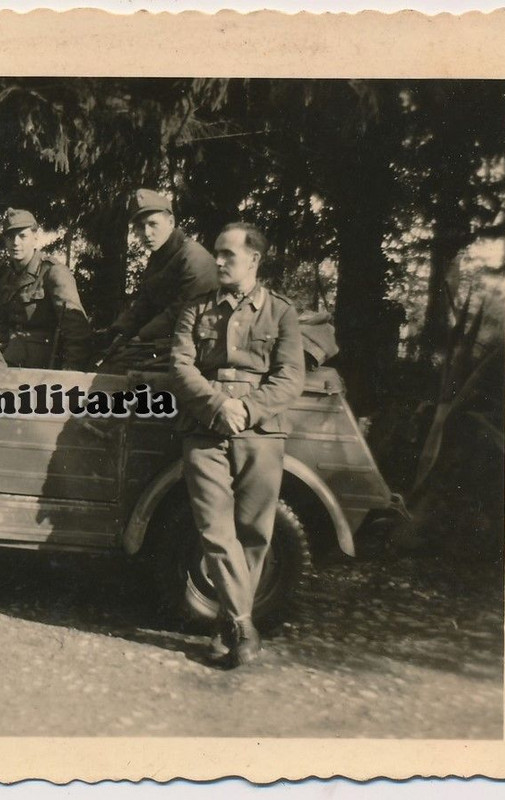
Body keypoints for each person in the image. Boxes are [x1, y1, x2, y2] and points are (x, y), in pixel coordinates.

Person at [169, 222, 304, 668]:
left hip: (259, 430)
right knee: (213, 527)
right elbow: (181, 365)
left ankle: (228, 624)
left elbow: (290, 378)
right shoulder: (196, 308)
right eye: (216, 253)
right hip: (205, 427)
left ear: (254, 260)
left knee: (253, 530)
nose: (219, 261)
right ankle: (244, 625)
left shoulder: (281, 312)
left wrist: (246, 410)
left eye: (228, 254)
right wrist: (218, 405)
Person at [103, 189, 219, 356]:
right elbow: (145, 302)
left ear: (171, 222)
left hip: (195, 347)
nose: (147, 233)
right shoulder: (160, 257)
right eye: (140, 227)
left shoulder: (193, 258)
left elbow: (183, 311)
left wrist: (141, 336)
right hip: (166, 342)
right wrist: (118, 330)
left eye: (153, 224)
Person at [0, 208, 92, 370]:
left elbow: (77, 330)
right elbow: (5, 328)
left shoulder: (53, 272)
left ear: (35, 238)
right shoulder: (7, 279)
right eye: (10, 237)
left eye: (22, 236)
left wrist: (71, 371)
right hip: (13, 357)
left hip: (45, 365)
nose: (15, 243)